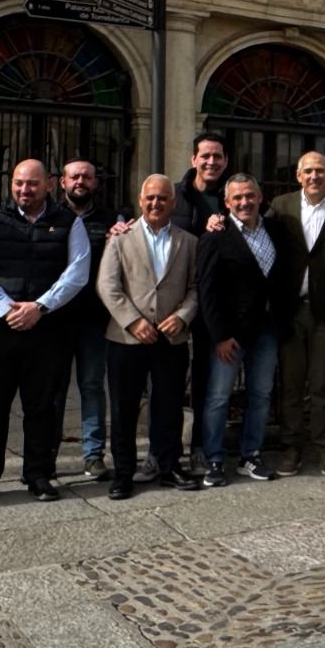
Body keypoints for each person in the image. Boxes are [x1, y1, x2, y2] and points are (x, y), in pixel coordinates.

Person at [0, 159, 90, 505]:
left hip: (48, 331)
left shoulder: (68, 223)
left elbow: (76, 273)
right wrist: (6, 309)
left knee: (42, 407)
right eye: (18, 183)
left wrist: (39, 308)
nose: (24, 190)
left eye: (31, 183)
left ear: (49, 185)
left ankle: (39, 474)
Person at [96, 174, 202, 499]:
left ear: (173, 202)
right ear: (141, 201)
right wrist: (132, 321)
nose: (156, 203)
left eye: (163, 198)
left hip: (171, 339)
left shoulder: (189, 242)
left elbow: (196, 288)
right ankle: (124, 472)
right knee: (124, 408)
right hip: (127, 339)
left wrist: (183, 317)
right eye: (150, 198)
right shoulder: (120, 239)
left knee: (168, 406)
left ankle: (168, 466)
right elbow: (107, 286)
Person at [196, 173, 297, 487]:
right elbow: (207, 291)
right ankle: (214, 459)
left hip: (267, 329)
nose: (244, 202)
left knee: (261, 394)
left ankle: (250, 454)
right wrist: (220, 336)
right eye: (237, 198)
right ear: (227, 203)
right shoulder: (215, 237)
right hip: (230, 334)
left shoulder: (277, 231)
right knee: (217, 397)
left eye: (250, 196)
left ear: (260, 197)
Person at [269, 151, 325, 476]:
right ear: (298, 176)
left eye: (320, 171)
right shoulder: (281, 206)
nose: (314, 176)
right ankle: (291, 447)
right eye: (308, 171)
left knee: (322, 384)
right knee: (290, 383)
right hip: (291, 309)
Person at [50, 159, 124, 481]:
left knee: (92, 386)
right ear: (62, 181)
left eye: (87, 177)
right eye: (74, 176)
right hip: (55, 321)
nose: (80, 181)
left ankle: (93, 455)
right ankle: (45, 453)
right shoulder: (50, 217)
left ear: (96, 182)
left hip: (94, 320)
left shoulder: (111, 220)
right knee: (53, 389)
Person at [173, 131, 231, 472]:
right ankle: (165, 446)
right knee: (170, 376)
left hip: (213, 302)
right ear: (194, 159)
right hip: (177, 301)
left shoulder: (231, 195)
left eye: (218, 157)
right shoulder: (176, 195)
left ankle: (200, 446)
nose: (211, 162)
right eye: (205, 156)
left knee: (205, 379)